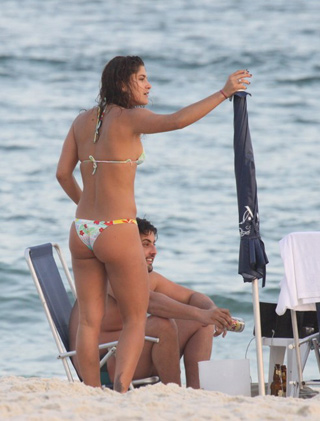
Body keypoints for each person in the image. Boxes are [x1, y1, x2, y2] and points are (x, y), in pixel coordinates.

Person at [56, 55, 251, 392]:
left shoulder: (81, 121)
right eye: (142, 79)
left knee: (88, 320)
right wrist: (222, 93)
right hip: (116, 228)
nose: (149, 85)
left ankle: (89, 394)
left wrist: (89, 210)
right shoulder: (130, 118)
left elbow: (62, 174)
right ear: (122, 83)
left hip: (82, 229)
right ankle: (119, 392)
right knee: (136, 317)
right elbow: (176, 121)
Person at [69, 217, 233, 388]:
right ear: (128, 246)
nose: (154, 251)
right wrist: (202, 314)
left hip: (125, 352)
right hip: (103, 365)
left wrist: (212, 311)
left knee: (201, 323)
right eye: (146, 244)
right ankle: (174, 392)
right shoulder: (108, 275)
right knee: (162, 325)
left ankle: (195, 392)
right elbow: (150, 302)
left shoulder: (145, 277)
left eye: (154, 244)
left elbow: (192, 296)